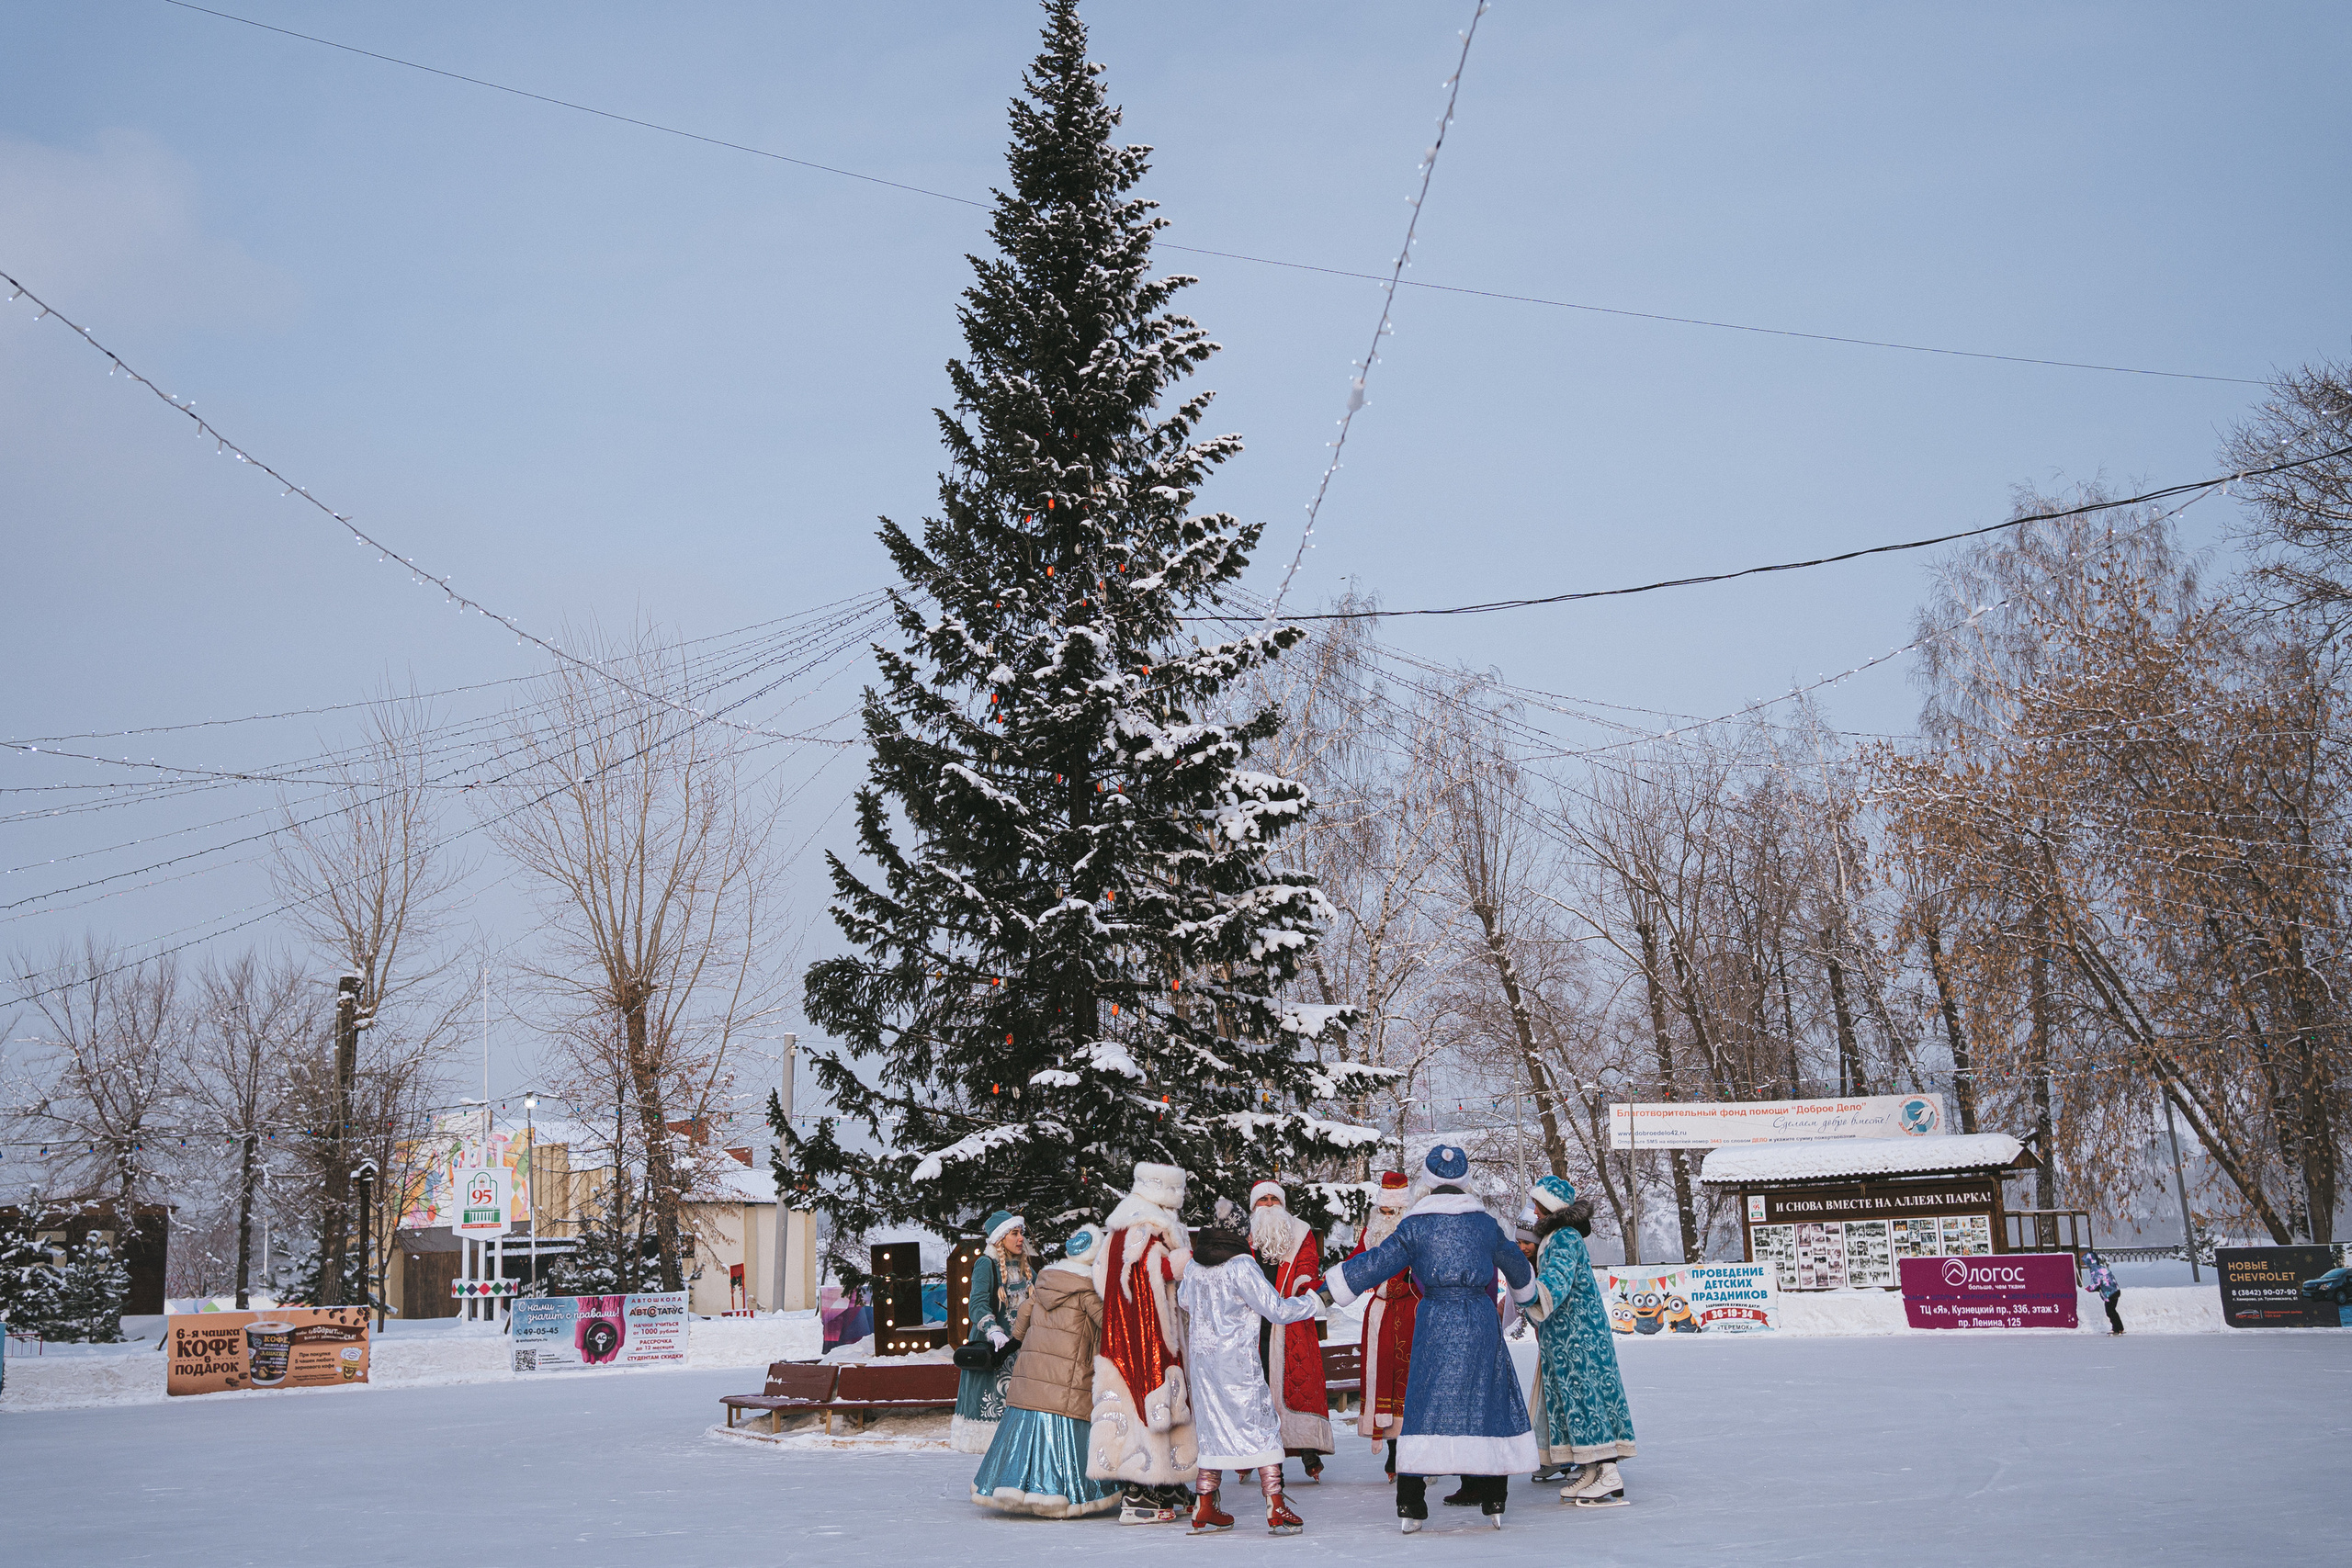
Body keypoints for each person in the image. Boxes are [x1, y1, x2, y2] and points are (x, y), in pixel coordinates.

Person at [1321, 1145, 1538, 1531]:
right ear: (1464, 1181)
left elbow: (1375, 1263)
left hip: (1436, 1320)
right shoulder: (1485, 1224)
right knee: (1486, 1399)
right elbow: (1518, 1269)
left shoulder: (1415, 1226)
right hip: (1479, 1324)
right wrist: (1527, 1296)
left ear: (1429, 1181)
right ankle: (1494, 1499)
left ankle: (1411, 1505)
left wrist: (1329, 1289)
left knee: (1423, 1401)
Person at [1176, 1224, 1322, 1535]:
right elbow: (1276, 1309)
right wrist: (1314, 1302)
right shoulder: (1242, 1265)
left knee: (1211, 1429)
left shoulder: (1194, 1265)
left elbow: (1184, 1301)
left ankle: (1205, 1502)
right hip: (1238, 1362)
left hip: (1204, 1363)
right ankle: (1275, 1503)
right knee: (1261, 1426)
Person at [970, 1224, 1122, 1517]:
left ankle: (1008, 1488)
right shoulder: (1088, 1291)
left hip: (1030, 1382)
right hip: (1068, 1383)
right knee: (1066, 1439)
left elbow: (1019, 1329)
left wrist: (1007, 1346)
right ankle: (1058, 1494)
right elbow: (1112, 1328)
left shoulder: (1042, 1286)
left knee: (1021, 1438)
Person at [1087, 1161, 1198, 1524]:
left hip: (1140, 1330)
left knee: (1160, 1398)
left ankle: (1166, 1480)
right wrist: (1173, 1266)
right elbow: (1138, 1274)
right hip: (1144, 1333)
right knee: (1149, 1398)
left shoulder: (1130, 1221)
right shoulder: (1143, 1224)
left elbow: (1103, 1274)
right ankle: (1142, 1490)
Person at [1524, 1178, 1635, 1506]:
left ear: (1550, 1209)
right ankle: (1589, 1469)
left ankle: (1609, 1473)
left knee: (1588, 1397)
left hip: (1579, 1337)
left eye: (1537, 1204)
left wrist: (1525, 1291)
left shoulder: (1564, 1238)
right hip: (1566, 1336)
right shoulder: (1557, 1237)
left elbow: (1554, 1285)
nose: (1533, 1210)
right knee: (1573, 1400)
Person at [1247, 1180, 1333, 1484]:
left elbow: (1308, 1266)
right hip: (1255, 1323)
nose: (1269, 1204)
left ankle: (1308, 1446)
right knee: (1259, 1387)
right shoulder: (1246, 1238)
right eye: (1263, 1200)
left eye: (1274, 1199)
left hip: (1291, 1319)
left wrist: (1302, 1289)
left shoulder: (1300, 1233)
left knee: (1298, 1385)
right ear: (1253, 1206)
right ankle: (1263, 1457)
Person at [1351, 1171, 1419, 1481]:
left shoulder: (1416, 1233)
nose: (1385, 1215)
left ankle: (1412, 1452)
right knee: (1383, 1379)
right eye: (1383, 1210)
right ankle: (1393, 1452)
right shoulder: (1371, 1232)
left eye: (1391, 1211)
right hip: (1379, 1315)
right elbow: (1355, 1264)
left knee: (1408, 1381)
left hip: (1411, 1313)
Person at [952, 1210, 1032, 1454]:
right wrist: (993, 1331)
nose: (1021, 1238)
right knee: (993, 1428)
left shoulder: (1024, 1267)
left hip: (1021, 1352)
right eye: (1014, 1233)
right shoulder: (985, 1264)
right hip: (995, 1353)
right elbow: (976, 1305)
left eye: (1021, 1233)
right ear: (1000, 1239)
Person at [2084, 1250, 2125, 1335]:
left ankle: (2118, 1329)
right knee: (2112, 1311)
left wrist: (2088, 1289)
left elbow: (2096, 1283)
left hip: (2110, 1293)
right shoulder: (2101, 1268)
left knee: (2110, 1312)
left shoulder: (2095, 1270)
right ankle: (2118, 1328)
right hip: (2115, 1290)